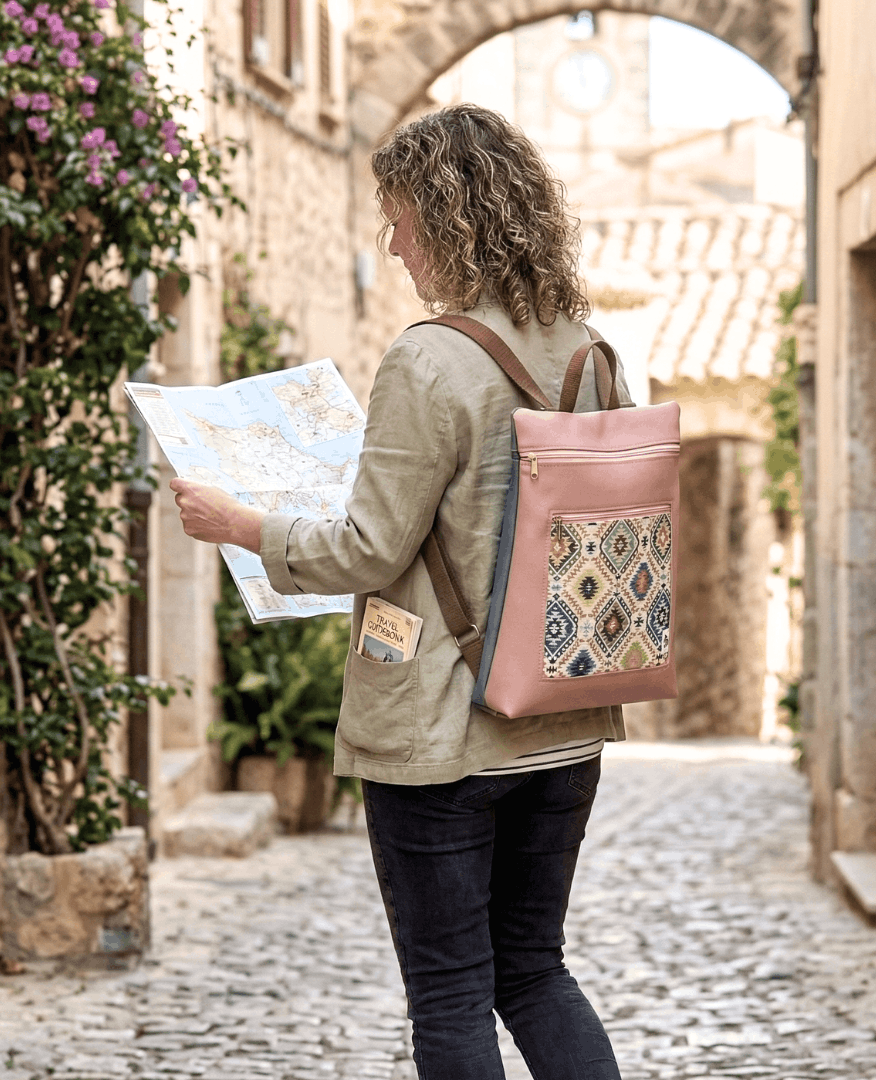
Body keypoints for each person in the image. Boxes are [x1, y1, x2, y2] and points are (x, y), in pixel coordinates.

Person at [170, 103, 629, 1080]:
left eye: (398, 218)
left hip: (443, 728)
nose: (393, 244)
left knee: (453, 990)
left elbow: (369, 552)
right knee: (536, 971)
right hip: (563, 714)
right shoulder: (591, 353)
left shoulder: (431, 357)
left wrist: (242, 524)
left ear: (446, 215)